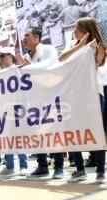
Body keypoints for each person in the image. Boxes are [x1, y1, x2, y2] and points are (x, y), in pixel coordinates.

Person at [58, 17, 106, 184]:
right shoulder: (72, 45)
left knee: (96, 130)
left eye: (77, 29)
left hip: (93, 94)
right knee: (73, 131)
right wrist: (79, 47)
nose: (74, 32)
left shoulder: (99, 46)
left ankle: (101, 170)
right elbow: (61, 59)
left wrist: (91, 52)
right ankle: (80, 169)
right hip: (73, 95)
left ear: (86, 30)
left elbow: (94, 67)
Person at [17, 27, 65, 179]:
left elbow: (52, 67)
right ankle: (42, 166)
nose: (24, 38)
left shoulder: (48, 49)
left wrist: (29, 66)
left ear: (36, 37)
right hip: (34, 100)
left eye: (27, 35)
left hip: (51, 96)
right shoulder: (26, 56)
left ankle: (58, 167)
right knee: (37, 133)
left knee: (54, 132)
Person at [0, 49, 29, 176]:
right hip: (5, 109)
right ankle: (9, 166)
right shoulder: (0, 73)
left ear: (10, 56)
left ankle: (23, 165)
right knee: (7, 138)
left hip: (17, 108)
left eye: (3, 56)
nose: (1, 59)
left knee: (19, 137)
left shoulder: (18, 68)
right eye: (0, 57)